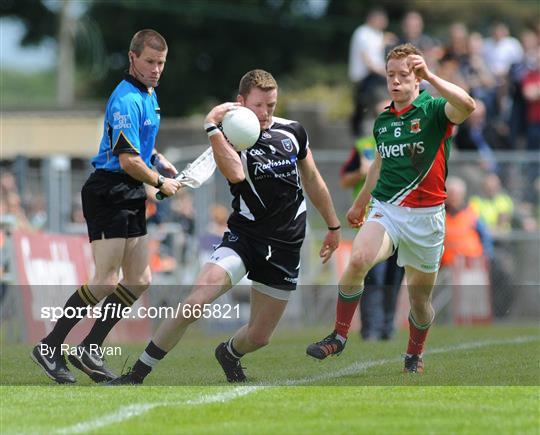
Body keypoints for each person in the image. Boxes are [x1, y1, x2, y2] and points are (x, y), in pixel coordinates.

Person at [107, 69, 341, 385]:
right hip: (244, 239)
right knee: (194, 303)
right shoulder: (231, 136)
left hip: (286, 245)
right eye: (259, 105)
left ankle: (229, 353)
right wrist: (212, 128)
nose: (265, 113)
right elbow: (234, 174)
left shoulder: (293, 132)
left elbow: (312, 179)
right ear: (240, 102)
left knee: (259, 337)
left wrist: (333, 225)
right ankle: (136, 374)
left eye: (271, 106)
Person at [306, 43, 475, 373]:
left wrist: (432, 77)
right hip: (389, 210)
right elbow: (378, 165)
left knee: (419, 302)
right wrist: (359, 202)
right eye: (390, 75)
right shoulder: (383, 121)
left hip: (428, 218)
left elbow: (467, 105)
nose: (395, 82)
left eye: (403, 75)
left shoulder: (435, 110)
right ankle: (339, 336)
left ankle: (414, 353)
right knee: (358, 260)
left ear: (416, 79)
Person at [30, 29, 181, 384]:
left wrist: (159, 161)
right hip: (109, 190)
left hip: (128, 191)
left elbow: (141, 149)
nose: (156, 69)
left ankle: (89, 348)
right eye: (149, 62)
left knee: (139, 279)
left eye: (161, 63)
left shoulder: (150, 94)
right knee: (104, 281)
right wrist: (160, 182)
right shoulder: (125, 98)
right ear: (132, 58)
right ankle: (50, 348)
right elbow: (127, 160)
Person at [340, 99, 404, 341]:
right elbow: (344, 179)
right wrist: (361, 172)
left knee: (394, 277)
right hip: (372, 220)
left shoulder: (409, 141)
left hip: (401, 219)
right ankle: (370, 330)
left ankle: (388, 328)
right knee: (373, 276)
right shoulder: (364, 146)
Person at [348, 8, 390, 136]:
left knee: (367, 113)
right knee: (375, 107)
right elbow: (368, 60)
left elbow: (376, 54)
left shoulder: (377, 34)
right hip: (366, 78)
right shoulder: (363, 32)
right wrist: (387, 73)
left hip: (375, 77)